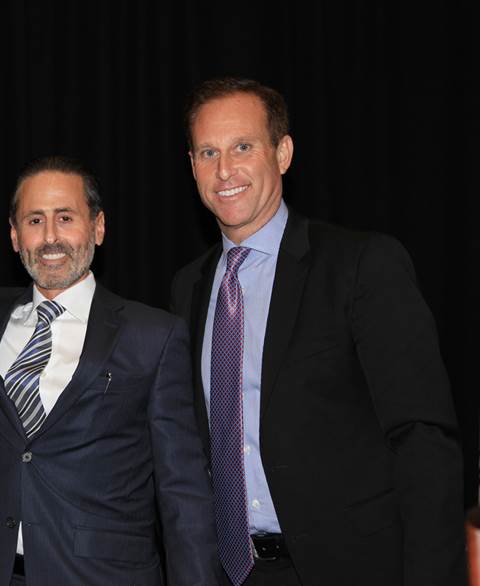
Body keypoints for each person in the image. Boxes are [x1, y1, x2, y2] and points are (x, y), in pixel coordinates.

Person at [170, 77, 466, 585]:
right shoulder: (187, 288)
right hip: (232, 574)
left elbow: (423, 441)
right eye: (207, 152)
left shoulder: (360, 265)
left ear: (282, 153)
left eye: (243, 146)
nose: (224, 170)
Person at [0, 156, 222, 585]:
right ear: (15, 236)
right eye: (35, 220)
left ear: (98, 227)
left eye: (66, 217)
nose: (50, 236)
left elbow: (182, 492)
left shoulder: (153, 336)